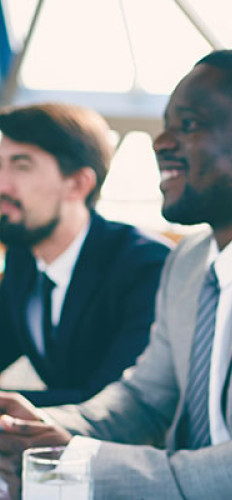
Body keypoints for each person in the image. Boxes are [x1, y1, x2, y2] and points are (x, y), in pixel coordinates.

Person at [0, 49, 232, 500]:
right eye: (165, 125)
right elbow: (142, 398)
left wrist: (82, 464)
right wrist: (40, 428)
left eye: (189, 125)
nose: (160, 142)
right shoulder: (190, 259)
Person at [0, 103, 171, 407]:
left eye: (21, 166)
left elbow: (110, 402)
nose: (2, 183)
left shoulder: (147, 267)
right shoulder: (23, 258)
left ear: (79, 184)